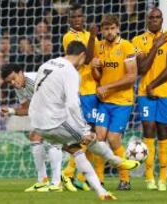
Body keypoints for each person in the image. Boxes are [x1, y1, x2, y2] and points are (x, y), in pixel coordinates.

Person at [29, 41, 139, 201]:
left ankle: (102, 192)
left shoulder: (47, 64)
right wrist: (84, 129)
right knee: (91, 139)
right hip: (54, 122)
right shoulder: (70, 72)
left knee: (77, 151)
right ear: (82, 56)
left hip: (37, 123)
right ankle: (116, 161)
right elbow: (73, 104)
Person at [132, 8, 167, 191]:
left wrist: (153, 85)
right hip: (145, 94)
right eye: (151, 17)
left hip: (165, 92)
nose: (154, 20)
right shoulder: (137, 41)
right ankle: (150, 177)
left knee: (164, 131)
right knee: (149, 129)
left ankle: (163, 178)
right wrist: (155, 46)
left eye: (157, 17)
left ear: (162, 19)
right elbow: (142, 68)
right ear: (147, 20)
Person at [88, 15, 138, 191]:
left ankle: (125, 179)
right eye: (105, 29)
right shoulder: (99, 47)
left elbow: (131, 77)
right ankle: (99, 180)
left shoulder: (126, 46)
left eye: (112, 28)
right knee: (99, 139)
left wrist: (107, 87)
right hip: (104, 101)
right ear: (101, 30)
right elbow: (97, 77)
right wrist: (94, 67)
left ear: (117, 28)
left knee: (113, 139)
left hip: (122, 102)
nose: (109, 32)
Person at [61, 3, 104, 191]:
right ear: (69, 19)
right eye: (74, 17)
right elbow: (85, 59)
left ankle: (81, 177)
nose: (77, 20)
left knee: (93, 134)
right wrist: (94, 36)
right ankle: (68, 173)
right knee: (87, 134)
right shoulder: (69, 37)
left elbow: (93, 60)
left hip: (93, 89)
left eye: (80, 16)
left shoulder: (88, 35)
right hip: (81, 90)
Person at [0, 64, 63, 192]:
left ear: (21, 72)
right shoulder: (19, 87)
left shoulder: (36, 80)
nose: (13, 83)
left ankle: (57, 183)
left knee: (54, 140)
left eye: (14, 78)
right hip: (49, 111)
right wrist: (11, 111)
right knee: (35, 137)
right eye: (9, 82)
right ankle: (43, 181)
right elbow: (26, 109)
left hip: (61, 107)